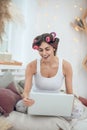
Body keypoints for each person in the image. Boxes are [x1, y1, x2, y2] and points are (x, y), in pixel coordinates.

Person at [23, 32, 84, 119]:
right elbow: (26, 91)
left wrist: (70, 104)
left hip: (56, 101)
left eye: (47, 49)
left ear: (54, 48)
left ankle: (53, 111)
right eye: (40, 50)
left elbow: (69, 93)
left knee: (78, 111)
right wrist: (26, 98)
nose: (44, 53)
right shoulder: (32, 65)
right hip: (36, 100)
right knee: (19, 106)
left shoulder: (66, 65)